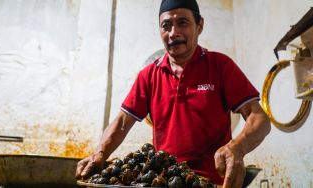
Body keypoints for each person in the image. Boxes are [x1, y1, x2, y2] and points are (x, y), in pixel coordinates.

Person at [76, 0, 271, 187]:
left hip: (211, 183)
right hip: (164, 182)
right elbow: (121, 123)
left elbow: (258, 117)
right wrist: (99, 155)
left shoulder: (221, 66)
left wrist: (237, 147)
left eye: (182, 23)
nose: (173, 33)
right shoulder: (148, 75)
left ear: (199, 26)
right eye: (166, 25)